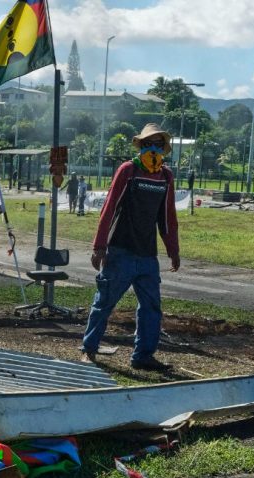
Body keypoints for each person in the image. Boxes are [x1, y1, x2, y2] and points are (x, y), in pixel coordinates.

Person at [79, 123, 180, 371]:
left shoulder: (166, 176)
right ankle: (89, 349)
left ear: (164, 148)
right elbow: (109, 208)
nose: (153, 148)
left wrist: (173, 250)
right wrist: (99, 246)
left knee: (151, 308)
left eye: (158, 144)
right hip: (120, 251)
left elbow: (167, 217)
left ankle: (143, 356)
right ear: (141, 146)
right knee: (104, 302)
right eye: (148, 144)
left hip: (148, 256)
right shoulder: (128, 170)